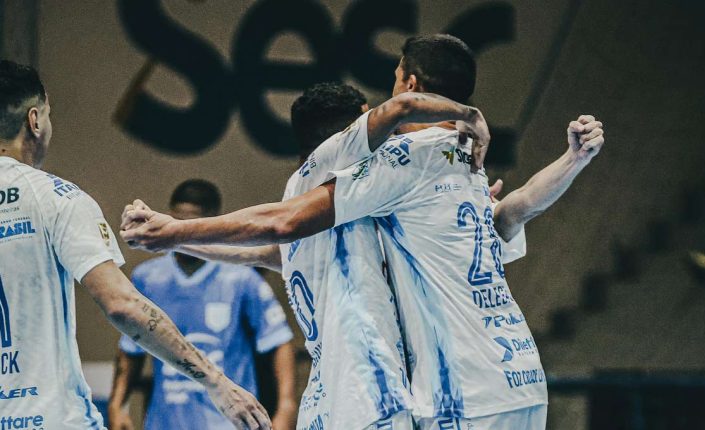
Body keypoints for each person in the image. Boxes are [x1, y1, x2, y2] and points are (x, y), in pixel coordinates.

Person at [122, 34, 605, 430]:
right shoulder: (463, 162)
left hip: (440, 394)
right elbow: (513, 212)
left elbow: (279, 230)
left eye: (394, 81)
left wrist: (176, 233)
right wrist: (571, 159)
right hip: (512, 377)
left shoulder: (403, 164)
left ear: (410, 85)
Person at [122, 82, 493, 430]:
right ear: (349, 135)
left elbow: (268, 251)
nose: (383, 135)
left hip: (330, 395)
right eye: (368, 121)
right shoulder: (343, 182)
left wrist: (173, 239)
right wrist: (468, 114)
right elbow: (402, 107)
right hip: (367, 391)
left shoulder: (303, 191)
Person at [0, 60, 270, 429]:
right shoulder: (55, 198)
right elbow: (123, 305)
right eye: (48, 115)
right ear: (34, 120)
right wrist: (218, 383)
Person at [107, 179, 296, 430]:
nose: (178, 231)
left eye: (189, 225)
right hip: (166, 423)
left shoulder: (242, 279)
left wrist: (286, 407)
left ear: (210, 221)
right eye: (175, 222)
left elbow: (278, 341)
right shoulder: (148, 278)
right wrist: (117, 404)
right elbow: (131, 346)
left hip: (228, 423)